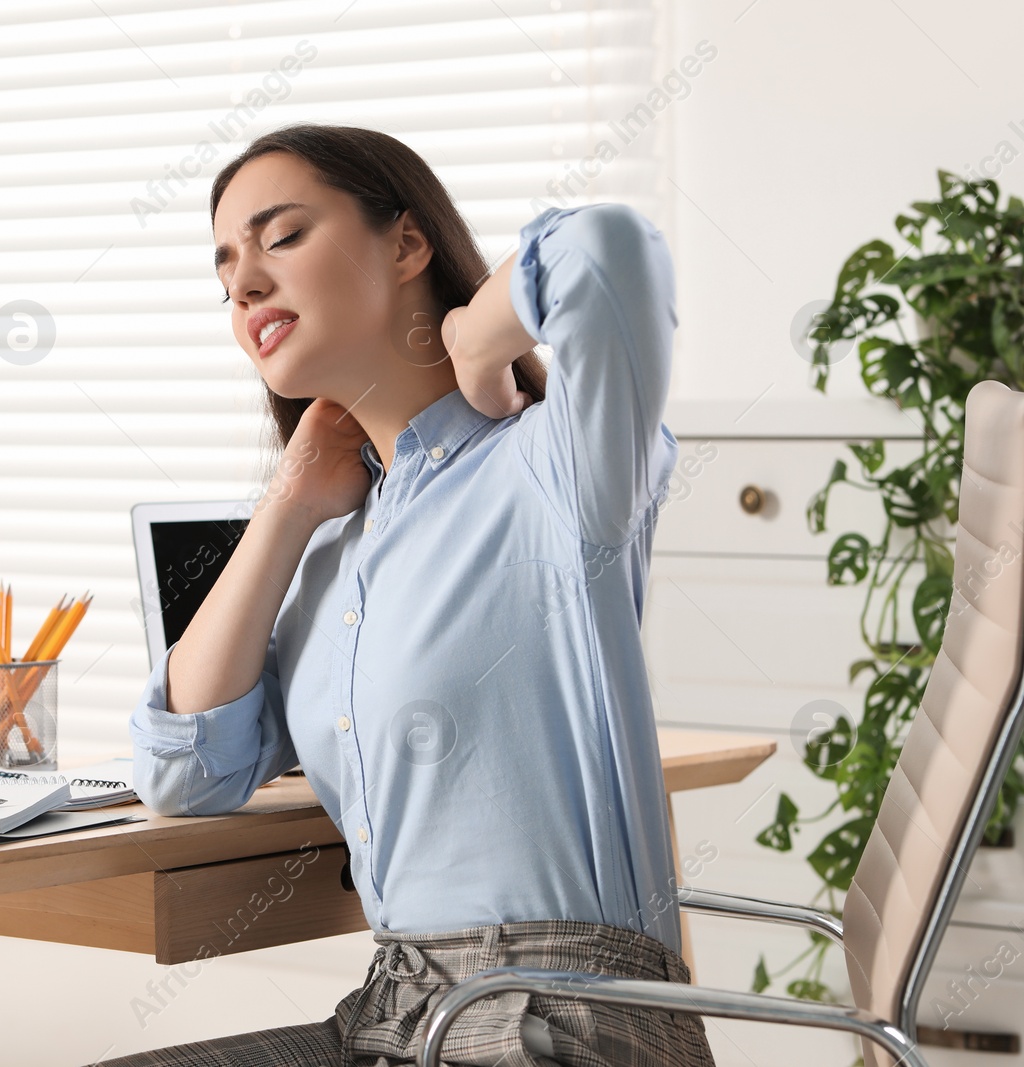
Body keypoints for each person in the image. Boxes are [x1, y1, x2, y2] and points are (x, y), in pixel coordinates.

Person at [101, 123, 714, 1067]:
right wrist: (290, 503)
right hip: (393, 1012)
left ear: (407, 242)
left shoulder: (557, 465)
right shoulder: (337, 552)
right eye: (226, 273)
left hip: (559, 1020)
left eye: (283, 237)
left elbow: (608, 250)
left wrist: (477, 330)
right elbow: (186, 771)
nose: (246, 285)